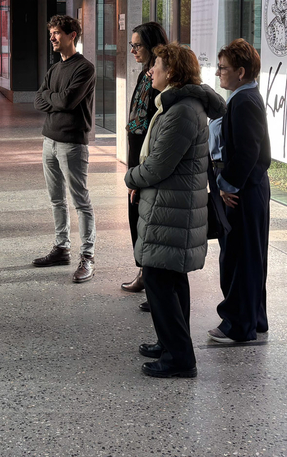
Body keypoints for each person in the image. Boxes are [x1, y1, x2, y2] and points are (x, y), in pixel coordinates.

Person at [125, 43, 225, 378]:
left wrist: (131, 177)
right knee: (171, 278)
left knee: (158, 277)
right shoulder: (176, 104)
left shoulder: (182, 110)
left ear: (174, 72)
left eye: (157, 65)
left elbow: (158, 166)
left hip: (172, 206)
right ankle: (170, 344)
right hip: (171, 205)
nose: (151, 71)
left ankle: (180, 358)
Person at [210, 38, 272, 344]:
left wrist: (226, 185)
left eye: (224, 68)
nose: (219, 73)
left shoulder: (243, 101)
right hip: (251, 189)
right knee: (250, 258)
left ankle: (239, 325)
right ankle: (253, 319)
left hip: (245, 192)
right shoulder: (243, 97)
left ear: (242, 72)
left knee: (241, 260)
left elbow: (249, 152)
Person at [32, 14, 97, 283]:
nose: (52, 37)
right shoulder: (54, 68)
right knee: (56, 199)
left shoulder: (85, 68)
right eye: (51, 33)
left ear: (72, 35)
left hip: (72, 143)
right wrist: (52, 98)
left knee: (80, 201)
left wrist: (52, 98)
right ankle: (62, 248)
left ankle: (88, 256)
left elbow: (68, 101)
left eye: (57, 32)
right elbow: (38, 100)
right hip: (49, 140)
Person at [121, 21, 169, 296]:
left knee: (147, 216)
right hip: (136, 154)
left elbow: (156, 125)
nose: (133, 50)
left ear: (152, 46)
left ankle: (150, 277)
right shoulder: (144, 75)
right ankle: (143, 271)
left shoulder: (160, 79)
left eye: (137, 45)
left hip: (148, 158)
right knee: (135, 213)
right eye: (132, 45)